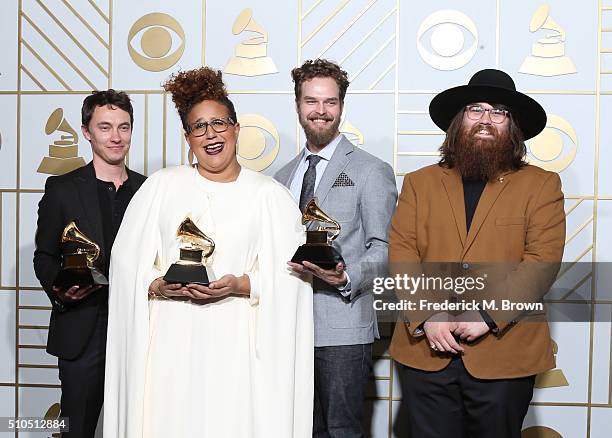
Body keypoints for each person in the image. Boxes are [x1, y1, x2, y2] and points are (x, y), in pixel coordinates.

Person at [103, 67, 313, 438]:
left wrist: (241, 284)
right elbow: (125, 264)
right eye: (198, 127)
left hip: (238, 351)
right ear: (187, 137)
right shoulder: (161, 187)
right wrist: (157, 285)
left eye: (219, 123)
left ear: (236, 128)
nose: (210, 134)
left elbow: (293, 277)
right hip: (171, 345)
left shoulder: (269, 196)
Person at [388, 69, 566, 438]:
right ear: (459, 121)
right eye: (476, 109)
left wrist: (488, 315)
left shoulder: (541, 185)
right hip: (427, 350)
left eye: (498, 111)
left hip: (504, 354)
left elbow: (542, 260)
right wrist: (427, 314)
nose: (486, 119)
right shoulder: (419, 183)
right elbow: (402, 250)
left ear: (512, 126)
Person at [275, 59, 397, 438]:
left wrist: (346, 276)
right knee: (295, 428)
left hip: (343, 327)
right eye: (311, 101)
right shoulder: (281, 177)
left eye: (330, 102)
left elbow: (385, 248)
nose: (321, 111)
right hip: (288, 327)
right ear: (297, 106)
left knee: (341, 430)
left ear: (341, 107)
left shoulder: (369, 170)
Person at [33, 90, 146, 437]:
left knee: (136, 425)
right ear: (86, 131)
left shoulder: (148, 190)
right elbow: (44, 256)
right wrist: (62, 290)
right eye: (105, 127)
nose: (116, 137)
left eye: (124, 127)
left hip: (136, 327)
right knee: (76, 428)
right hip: (83, 326)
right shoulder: (62, 189)